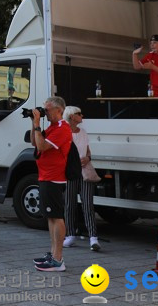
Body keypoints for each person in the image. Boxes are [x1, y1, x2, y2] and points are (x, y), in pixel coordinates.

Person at [30, 97, 72, 272]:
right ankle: (54, 253)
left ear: (59, 110)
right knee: (51, 216)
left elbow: (41, 145)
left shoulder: (62, 128)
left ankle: (58, 259)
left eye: (48, 110)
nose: (45, 112)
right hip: (46, 176)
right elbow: (34, 142)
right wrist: (33, 123)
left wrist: (38, 123)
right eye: (44, 109)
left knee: (56, 216)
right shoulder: (53, 127)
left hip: (54, 177)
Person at [62, 106, 100, 252]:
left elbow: (88, 150)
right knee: (69, 204)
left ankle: (93, 237)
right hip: (71, 171)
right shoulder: (65, 133)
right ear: (71, 117)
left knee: (87, 204)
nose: (81, 115)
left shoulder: (83, 132)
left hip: (84, 170)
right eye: (78, 113)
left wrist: (88, 158)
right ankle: (70, 235)